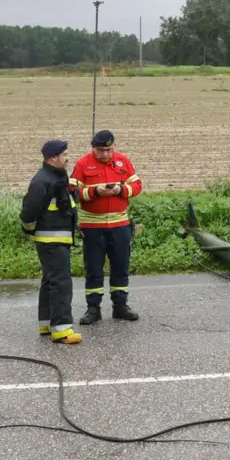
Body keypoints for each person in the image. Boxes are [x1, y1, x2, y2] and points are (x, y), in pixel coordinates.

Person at [70, 129, 143, 324]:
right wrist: (94, 192)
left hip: (120, 225)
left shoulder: (123, 161)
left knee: (121, 266)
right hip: (92, 226)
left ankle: (120, 306)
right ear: (93, 148)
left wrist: (120, 190)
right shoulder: (83, 164)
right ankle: (93, 309)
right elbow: (72, 192)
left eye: (109, 150)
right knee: (93, 268)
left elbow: (137, 186)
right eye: (101, 150)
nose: (105, 154)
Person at [20, 139, 82, 344]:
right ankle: (62, 330)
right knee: (60, 283)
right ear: (52, 158)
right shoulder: (42, 181)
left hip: (57, 239)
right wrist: (30, 230)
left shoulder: (57, 176)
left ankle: (47, 324)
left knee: (50, 281)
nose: (67, 158)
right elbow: (28, 213)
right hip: (51, 241)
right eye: (64, 154)